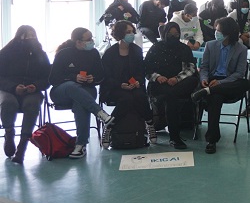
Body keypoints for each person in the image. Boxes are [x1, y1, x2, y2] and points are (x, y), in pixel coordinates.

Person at [49, 27, 114, 159]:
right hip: (62, 91)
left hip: (86, 89)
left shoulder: (94, 53)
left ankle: (81, 145)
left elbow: (101, 75)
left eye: (92, 38)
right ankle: (100, 113)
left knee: (81, 103)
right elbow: (53, 79)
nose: (92, 41)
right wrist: (73, 77)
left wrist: (92, 79)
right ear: (78, 42)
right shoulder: (63, 54)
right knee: (72, 87)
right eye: (88, 39)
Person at [192, 17, 249, 154]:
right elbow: (204, 67)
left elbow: (239, 73)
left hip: (230, 82)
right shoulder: (210, 45)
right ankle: (212, 140)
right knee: (215, 98)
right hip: (211, 80)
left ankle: (207, 91)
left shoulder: (241, 49)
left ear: (228, 33)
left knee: (246, 83)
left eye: (219, 31)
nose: (216, 33)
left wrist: (221, 83)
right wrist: (204, 79)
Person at [0, 26, 50, 164]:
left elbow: (47, 78)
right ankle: (9, 132)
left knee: (32, 104)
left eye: (33, 36)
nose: (30, 39)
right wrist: (13, 87)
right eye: (27, 36)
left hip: (31, 91)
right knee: (8, 103)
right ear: (19, 37)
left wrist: (36, 86)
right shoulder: (6, 53)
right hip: (8, 90)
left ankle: (23, 145)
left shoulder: (41, 54)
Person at [145, 22, 199, 149]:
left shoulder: (184, 48)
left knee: (186, 85)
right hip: (160, 83)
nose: (173, 36)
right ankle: (175, 137)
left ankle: (174, 136)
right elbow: (147, 69)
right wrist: (158, 77)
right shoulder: (156, 48)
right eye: (170, 34)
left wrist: (176, 78)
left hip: (180, 83)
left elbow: (191, 68)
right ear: (165, 33)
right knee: (171, 97)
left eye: (176, 34)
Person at [100, 21, 154, 149]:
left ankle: (150, 123)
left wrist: (138, 81)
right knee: (127, 99)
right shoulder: (110, 53)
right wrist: (120, 85)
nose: (132, 34)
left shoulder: (136, 50)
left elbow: (141, 71)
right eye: (128, 32)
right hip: (114, 87)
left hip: (133, 85)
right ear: (120, 34)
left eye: (132, 32)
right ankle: (109, 126)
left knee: (140, 96)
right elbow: (106, 76)